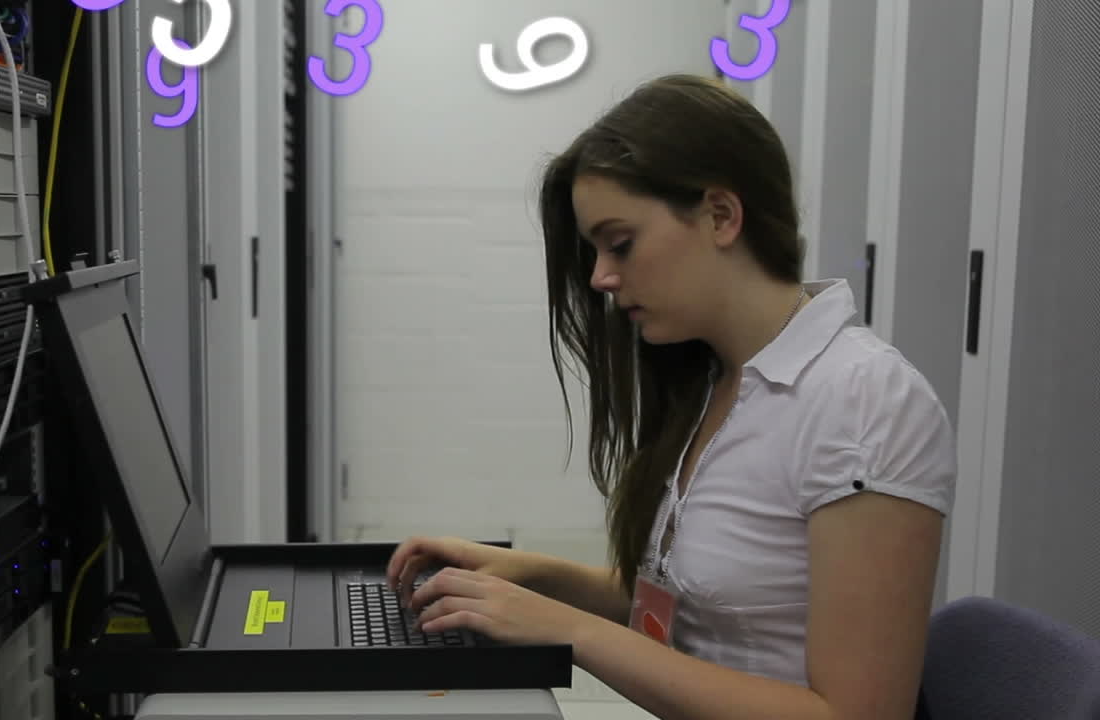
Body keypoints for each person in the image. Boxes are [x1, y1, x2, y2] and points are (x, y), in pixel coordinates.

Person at [386, 73, 957, 720]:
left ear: (721, 215)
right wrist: (525, 576)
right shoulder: (717, 380)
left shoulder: (864, 402)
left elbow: (854, 716)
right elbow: (694, 601)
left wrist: (568, 629)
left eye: (620, 244)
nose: (601, 276)